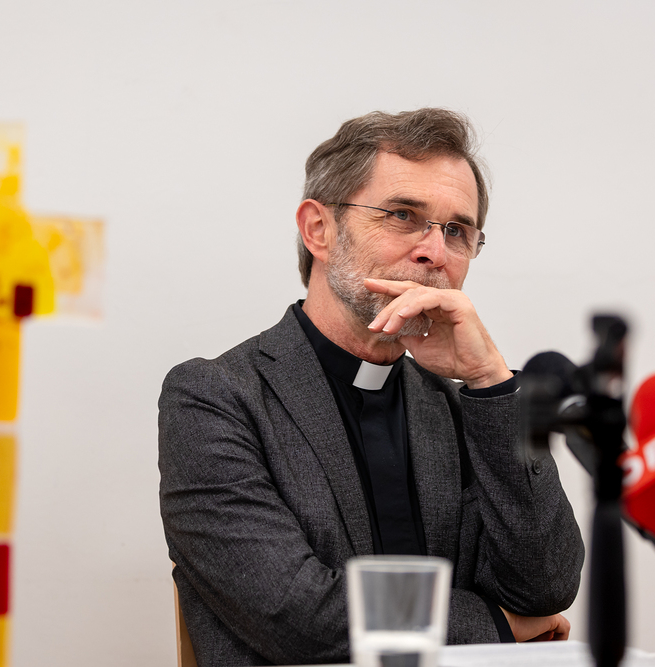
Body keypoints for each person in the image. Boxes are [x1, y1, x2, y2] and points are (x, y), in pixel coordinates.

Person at [158, 108, 584, 666]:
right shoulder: (215, 397)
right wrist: (495, 625)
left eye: (457, 231)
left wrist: (489, 382)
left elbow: (546, 587)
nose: (435, 252)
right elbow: (296, 617)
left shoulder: (466, 405)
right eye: (403, 215)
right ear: (319, 230)